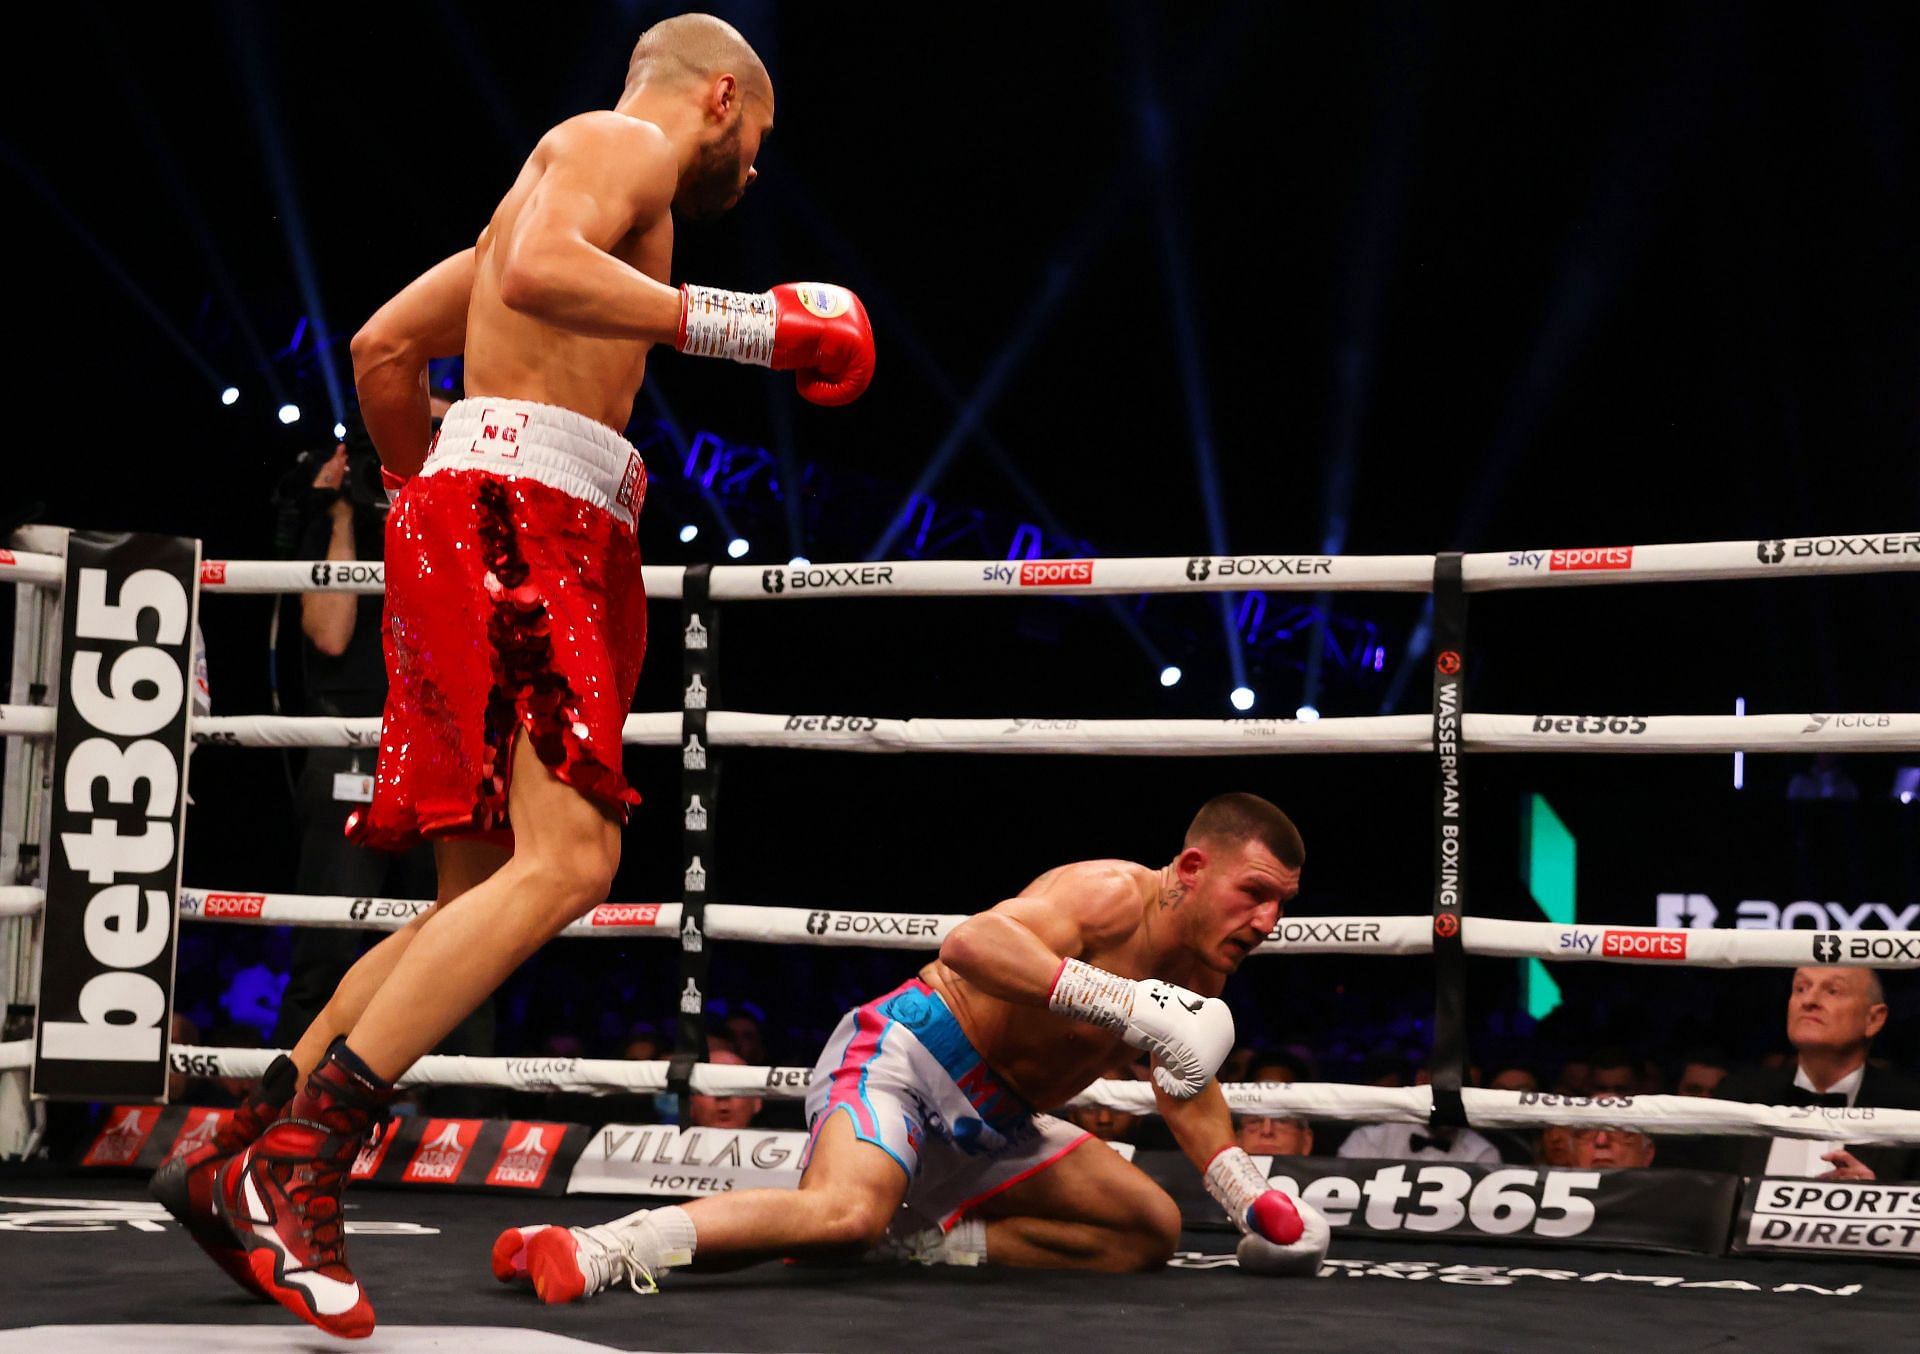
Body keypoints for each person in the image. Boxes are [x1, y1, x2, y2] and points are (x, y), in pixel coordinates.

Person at [150, 14, 873, 1339]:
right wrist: (750, 326)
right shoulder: (615, 148)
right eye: (759, 139)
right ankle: (303, 1159)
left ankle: (235, 1143)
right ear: (720, 98)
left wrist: (416, 495)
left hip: (482, 510)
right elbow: (540, 272)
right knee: (574, 860)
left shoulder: (538, 193)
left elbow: (379, 348)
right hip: (528, 514)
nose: (756, 172)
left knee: (479, 889)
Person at [492, 793, 1329, 1301]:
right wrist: (1117, 995)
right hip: (908, 1059)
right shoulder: (1108, 893)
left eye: (1279, 906)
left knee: (1149, 1229)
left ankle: (918, 1242)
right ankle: (601, 1250)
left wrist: (1248, 1195)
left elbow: (1182, 1081)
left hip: (997, 1124)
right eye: (1254, 894)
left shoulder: (1203, 975)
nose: (1266, 923)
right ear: (1190, 867)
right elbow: (972, 946)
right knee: (841, 1212)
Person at [1712, 966, 1920, 1182]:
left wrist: (1876, 1199)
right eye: (1800, 988)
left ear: (1873, 1019)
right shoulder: (1738, 1094)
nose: (1809, 1000)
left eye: (1832, 991)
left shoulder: (1910, 1108)